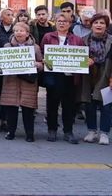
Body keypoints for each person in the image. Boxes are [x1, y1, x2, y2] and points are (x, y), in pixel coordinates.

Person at [40, 12, 84, 144]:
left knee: (69, 106)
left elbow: (82, 56)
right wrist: (43, 59)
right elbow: (42, 52)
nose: (61, 23)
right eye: (59, 21)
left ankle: (68, 131)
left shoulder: (77, 39)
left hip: (70, 77)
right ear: (55, 23)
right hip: (54, 76)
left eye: (64, 21)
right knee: (52, 105)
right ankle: (52, 130)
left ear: (70, 24)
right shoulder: (48, 37)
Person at [0, 22, 43, 142]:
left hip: (28, 82)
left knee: (28, 110)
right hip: (11, 82)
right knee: (11, 109)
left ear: (27, 33)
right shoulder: (7, 46)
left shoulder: (35, 47)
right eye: (16, 30)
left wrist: (37, 64)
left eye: (21, 31)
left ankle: (29, 133)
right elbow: (1, 63)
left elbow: (42, 63)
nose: (18, 33)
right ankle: (11, 131)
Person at [79, 13, 112, 145]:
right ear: (91, 25)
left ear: (106, 26)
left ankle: (104, 133)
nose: (99, 25)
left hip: (106, 75)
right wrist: (84, 61)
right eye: (96, 23)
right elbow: (77, 59)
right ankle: (91, 131)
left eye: (102, 23)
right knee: (89, 103)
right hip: (88, 76)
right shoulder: (83, 40)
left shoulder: (111, 40)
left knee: (106, 105)